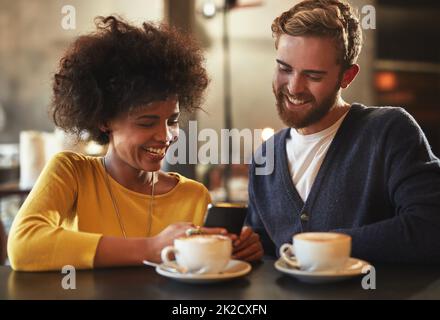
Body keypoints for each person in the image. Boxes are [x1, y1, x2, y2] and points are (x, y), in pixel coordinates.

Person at [7, 16, 262, 271]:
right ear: (104, 120)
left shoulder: (193, 196)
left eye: (172, 121)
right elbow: (24, 246)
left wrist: (237, 250)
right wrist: (152, 247)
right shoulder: (72, 173)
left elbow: (203, 273)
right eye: (147, 122)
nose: (165, 136)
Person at [246, 0, 440, 263]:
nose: (293, 87)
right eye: (284, 68)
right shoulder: (263, 158)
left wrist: (324, 245)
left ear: (347, 77)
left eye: (313, 76)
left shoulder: (389, 131)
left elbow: (430, 227)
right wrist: (247, 246)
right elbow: (268, 250)